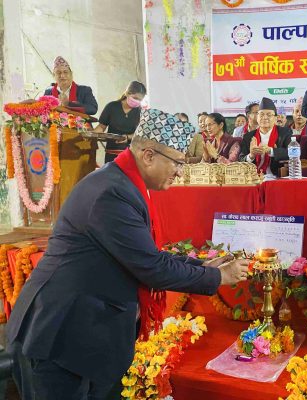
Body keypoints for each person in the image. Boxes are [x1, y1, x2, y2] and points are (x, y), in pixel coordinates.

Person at [6, 108, 249, 400]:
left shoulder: (122, 183)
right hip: (59, 337)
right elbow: (151, 267)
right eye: (177, 162)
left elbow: (144, 254)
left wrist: (201, 265)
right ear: (148, 155)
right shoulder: (111, 193)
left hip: (85, 337)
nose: (180, 172)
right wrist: (217, 277)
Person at [93, 81, 147, 163]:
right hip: (111, 154)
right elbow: (101, 127)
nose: (137, 101)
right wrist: (91, 135)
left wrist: (127, 137)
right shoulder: (112, 107)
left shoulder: (141, 112)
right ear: (127, 93)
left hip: (131, 154)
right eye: (135, 98)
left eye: (140, 100)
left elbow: (140, 134)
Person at [239, 97, 291, 177]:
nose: (265, 117)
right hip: (254, 178)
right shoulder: (248, 136)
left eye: (269, 115)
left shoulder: (284, 133)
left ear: (275, 118)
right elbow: (240, 160)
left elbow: (292, 153)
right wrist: (251, 155)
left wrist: (271, 151)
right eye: (261, 114)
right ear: (257, 117)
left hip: (277, 176)